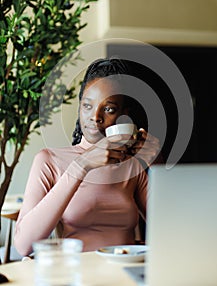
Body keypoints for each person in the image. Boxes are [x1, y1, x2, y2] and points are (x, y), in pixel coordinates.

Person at [14, 57, 161, 256]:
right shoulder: (49, 160)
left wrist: (158, 164)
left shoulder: (132, 164)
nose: (95, 117)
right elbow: (24, 246)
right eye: (87, 106)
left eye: (108, 109)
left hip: (126, 274)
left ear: (124, 115)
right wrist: (81, 165)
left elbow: (172, 228)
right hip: (77, 276)